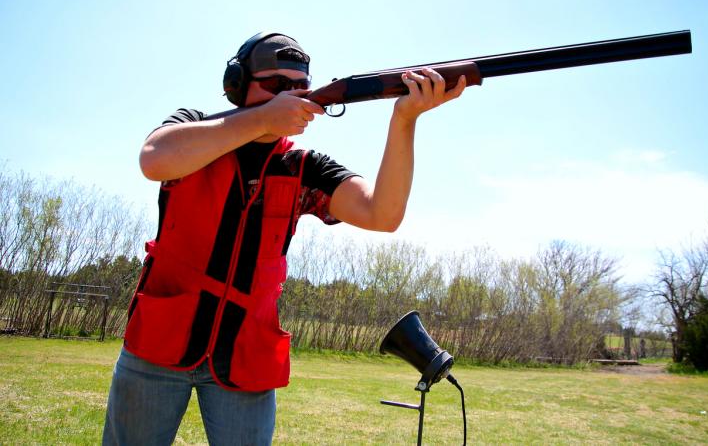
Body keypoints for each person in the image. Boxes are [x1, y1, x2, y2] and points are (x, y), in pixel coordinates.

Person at [102, 32, 465, 445]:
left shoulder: (303, 166)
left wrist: (405, 119)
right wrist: (262, 119)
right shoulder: (193, 126)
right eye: (275, 86)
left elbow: (382, 214)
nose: (289, 97)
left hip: (246, 358)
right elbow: (154, 159)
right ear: (237, 85)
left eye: (298, 88)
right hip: (158, 342)